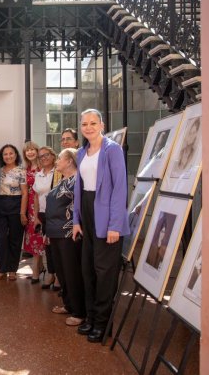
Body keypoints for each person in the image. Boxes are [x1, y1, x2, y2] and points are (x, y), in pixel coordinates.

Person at [72, 109, 130, 343]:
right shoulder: (80, 152)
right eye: (84, 123)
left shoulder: (112, 150)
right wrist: (76, 220)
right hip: (87, 211)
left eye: (93, 123)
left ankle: (103, 324)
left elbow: (120, 189)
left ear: (102, 125)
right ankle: (91, 318)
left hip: (107, 217)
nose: (88, 127)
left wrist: (115, 225)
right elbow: (78, 188)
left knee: (105, 273)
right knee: (88, 271)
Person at [46, 148, 86, 327]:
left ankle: (79, 312)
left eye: (60, 158)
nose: (57, 161)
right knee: (61, 272)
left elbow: (79, 208)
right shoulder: (62, 180)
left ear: (70, 161)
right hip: (55, 232)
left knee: (72, 272)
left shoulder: (78, 180)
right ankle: (69, 305)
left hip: (68, 233)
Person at [0, 144, 28, 280]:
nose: (8, 156)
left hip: (16, 205)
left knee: (15, 239)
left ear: (16, 155)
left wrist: (22, 213)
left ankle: (12, 269)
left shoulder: (21, 171)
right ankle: (1, 268)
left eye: (11, 153)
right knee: (0, 239)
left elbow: (25, 193)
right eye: (5, 154)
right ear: (2, 157)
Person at [32, 146, 61, 289]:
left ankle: (59, 278)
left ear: (53, 155)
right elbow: (36, 197)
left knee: (57, 247)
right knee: (48, 246)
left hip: (57, 215)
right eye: (41, 156)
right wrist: (36, 216)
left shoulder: (58, 172)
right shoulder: (39, 174)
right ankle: (51, 274)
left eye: (46, 155)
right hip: (43, 214)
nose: (44, 158)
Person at [21, 141, 45, 280]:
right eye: (27, 150)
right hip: (30, 205)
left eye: (32, 150)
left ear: (37, 150)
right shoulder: (27, 169)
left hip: (42, 203)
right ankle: (40, 267)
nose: (30, 152)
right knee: (34, 235)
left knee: (42, 236)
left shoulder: (44, 167)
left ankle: (36, 269)